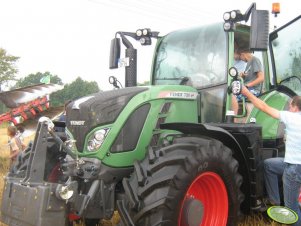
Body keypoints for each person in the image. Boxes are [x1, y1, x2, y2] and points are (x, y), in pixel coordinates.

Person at [241, 86, 301, 225]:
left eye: (289, 106)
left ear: (294, 107)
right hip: (291, 164)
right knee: (269, 165)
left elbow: (263, 106)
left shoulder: (291, 117)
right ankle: (274, 203)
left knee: (291, 210)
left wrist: (246, 92)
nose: (288, 109)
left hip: (294, 168)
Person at [232, 49, 264, 114]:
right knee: (230, 93)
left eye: (240, 58)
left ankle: (233, 119)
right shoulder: (248, 64)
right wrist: (243, 76)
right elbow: (251, 77)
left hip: (254, 90)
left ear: (242, 54)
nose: (241, 60)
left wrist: (247, 85)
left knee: (232, 97)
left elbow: (261, 78)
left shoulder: (255, 60)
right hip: (248, 88)